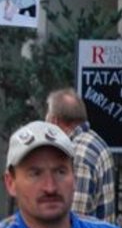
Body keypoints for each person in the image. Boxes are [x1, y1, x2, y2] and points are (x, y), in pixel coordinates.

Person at [45, 87, 117, 221]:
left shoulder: (77, 154)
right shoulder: (96, 142)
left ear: (54, 121)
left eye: (47, 116)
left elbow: (75, 217)